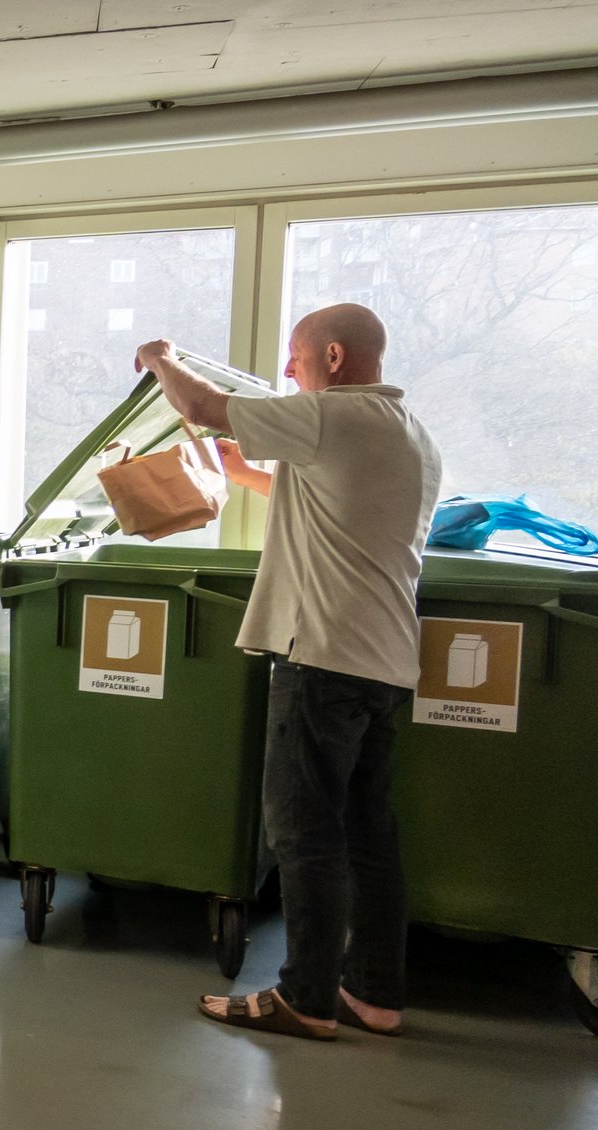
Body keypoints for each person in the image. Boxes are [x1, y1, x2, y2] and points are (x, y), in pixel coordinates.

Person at [133, 305, 442, 1041]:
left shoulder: (332, 414)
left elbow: (204, 408)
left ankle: (304, 997)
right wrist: (244, 477)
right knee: (369, 833)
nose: (289, 372)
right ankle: (373, 994)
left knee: (304, 831)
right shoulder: (410, 435)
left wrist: (158, 358)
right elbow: (341, 507)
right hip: (385, 662)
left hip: (323, 657)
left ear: (334, 357)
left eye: (297, 358)